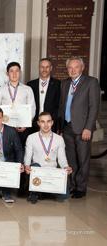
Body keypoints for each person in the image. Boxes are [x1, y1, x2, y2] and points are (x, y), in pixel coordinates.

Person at [58, 57, 100, 198]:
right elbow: (62, 106)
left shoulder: (91, 82)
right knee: (71, 159)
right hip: (67, 127)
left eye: (76, 67)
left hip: (83, 128)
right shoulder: (64, 83)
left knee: (83, 159)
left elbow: (94, 107)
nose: (73, 70)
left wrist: (89, 127)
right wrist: (60, 127)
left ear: (82, 68)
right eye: (70, 67)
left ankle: (81, 188)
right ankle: (73, 185)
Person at [24, 112, 72, 204]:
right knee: (35, 165)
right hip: (37, 172)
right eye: (42, 122)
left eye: (48, 121)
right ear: (38, 123)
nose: (46, 125)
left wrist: (66, 167)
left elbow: (62, 159)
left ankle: (44, 191)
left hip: (52, 173)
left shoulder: (59, 139)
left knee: (64, 195)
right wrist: (26, 166)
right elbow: (27, 156)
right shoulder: (31, 138)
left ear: (52, 122)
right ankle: (35, 192)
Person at [0, 62, 36, 145]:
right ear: (7, 73)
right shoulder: (0, 90)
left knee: (22, 151)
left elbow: (32, 108)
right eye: (11, 71)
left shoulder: (27, 89)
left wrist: (26, 124)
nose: (14, 74)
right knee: (8, 152)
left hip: (23, 127)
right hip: (6, 127)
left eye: (17, 71)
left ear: (20, 73)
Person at [27, 58, 61, 133]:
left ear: (51, 68)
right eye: (42, 67)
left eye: (47, 67)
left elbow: (59, 106)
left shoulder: (58, 84)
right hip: (34, 124)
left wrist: (53, 122)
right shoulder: (30, 85)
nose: (44, 69)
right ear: (39, 68)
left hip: (50, 124)